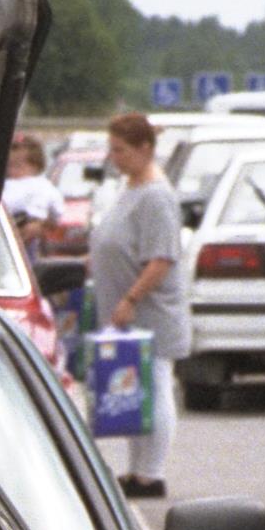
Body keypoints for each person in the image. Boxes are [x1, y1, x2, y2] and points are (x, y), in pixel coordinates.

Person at [87, 111, 188, 499]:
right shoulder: (130, 187)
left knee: (156, 385)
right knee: (133, 390)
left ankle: (152, 473)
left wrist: (131, 297)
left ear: (145, 149)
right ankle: (136, 469)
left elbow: (161, 258)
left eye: (121, 150)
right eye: (112, 150)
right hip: (122, 308)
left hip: (149, 309)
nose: (114, 158)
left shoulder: (156, 196)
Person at [1, 132, 63, 252]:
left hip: (28, 239)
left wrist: (40, 225)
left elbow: (56, 214)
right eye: (10, 166)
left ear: (35, 165)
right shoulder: (4, 186)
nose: (14, 170)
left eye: (19, 166)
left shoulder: (43, 186)